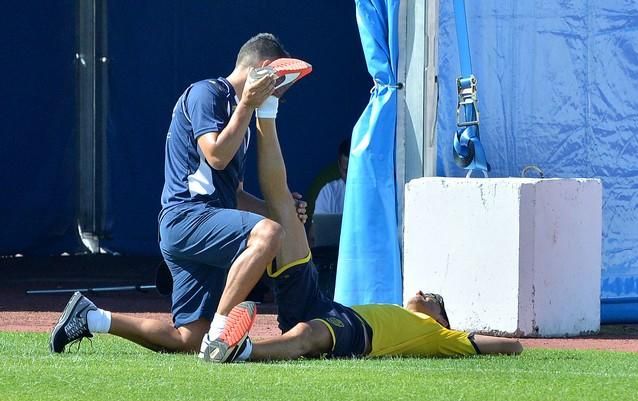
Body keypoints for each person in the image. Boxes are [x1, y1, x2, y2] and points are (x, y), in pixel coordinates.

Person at [199, 88, 523, 363]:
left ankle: (241, 352)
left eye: (433, 298)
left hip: (357, 332)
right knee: (281, 207)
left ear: (441, 318)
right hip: (326, 306)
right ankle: (266, 109)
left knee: (307, 335)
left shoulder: (439, 335)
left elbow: (513, 346)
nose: (422, 291)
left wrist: (462, 335)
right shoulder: (406, 313)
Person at [50, 33, 307, 354]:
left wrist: (278, 209)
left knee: (188, 339)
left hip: (202, 225)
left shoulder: (238, 111)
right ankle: (221, 331)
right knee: (269, 236)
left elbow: (234, 194)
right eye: (280, 81)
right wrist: (247, 105)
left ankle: (92, 317)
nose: (282, 92)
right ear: (265, 68)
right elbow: (215, 154)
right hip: (188, 219)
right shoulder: (208, 93)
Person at [313, 138, 350, 215]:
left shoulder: (376, 191)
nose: (350, 176)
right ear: (339, 167)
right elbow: (317, 226)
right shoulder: (328, 192)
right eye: (346, 171)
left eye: (353, 171)